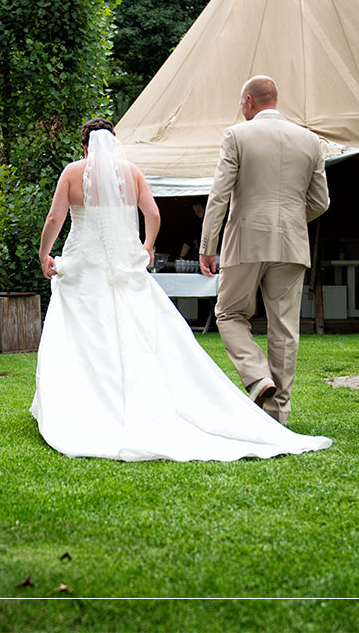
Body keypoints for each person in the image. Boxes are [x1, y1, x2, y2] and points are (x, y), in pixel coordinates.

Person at [32, 118, 331, 461]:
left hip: (83, 265)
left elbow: (55, 219)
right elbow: (153, 214)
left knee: (83, 334)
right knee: (133, 333)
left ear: (85, 146)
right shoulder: (130, 172)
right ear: (114, 143)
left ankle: (82, 403)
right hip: (125, 266)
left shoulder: (72, 172)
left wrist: (45, 255)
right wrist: (147, 246)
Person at [199, 76, 330, 425]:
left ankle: (257, 376)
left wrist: (207, 246)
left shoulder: (236, 135)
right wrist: (288, 220)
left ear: (248, 102)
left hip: (246, 240)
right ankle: (277, 413)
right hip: (292, 242)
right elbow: (321, 201)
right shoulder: (311, 140)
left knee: (228, 313)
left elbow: (219, 195)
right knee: (285, 329)